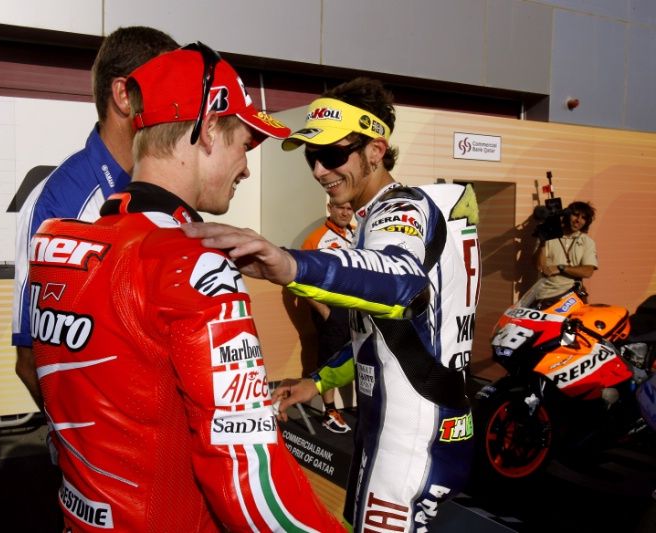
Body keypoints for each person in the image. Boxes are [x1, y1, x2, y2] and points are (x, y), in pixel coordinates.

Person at [28, 45, 344, 532]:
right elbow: (245, 478)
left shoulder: (55, 245)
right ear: (209, 128)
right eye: (245, 144)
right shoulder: (193, 263)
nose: (246, 168)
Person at [183, 77, 481, 532]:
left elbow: (402, 281)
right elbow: (384, 335)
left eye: (333, 154)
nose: (320, 170)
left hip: (410, 437)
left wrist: (291, 264)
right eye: (312, 157)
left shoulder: (400, 209)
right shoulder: (386, 214)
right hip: (412, 424)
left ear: (376, 151)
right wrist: (318, 382)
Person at [11, 26, 179, 409]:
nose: (180, 105)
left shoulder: (167, 189)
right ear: (124, 96)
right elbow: (32, 362)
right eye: (169, 88)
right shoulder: (57, 201)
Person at [301, 201, 355, 433]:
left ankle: (359, 406)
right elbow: (300, 280)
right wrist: (324, 311)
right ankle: (329, 411)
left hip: (356, 306)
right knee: (330, 358)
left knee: (357, 356)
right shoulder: (315, 239)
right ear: (330, 208)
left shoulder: (357, 234)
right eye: (341, 208)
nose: (345, 212)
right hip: (331, 308)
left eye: (349, 209)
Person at [535, 200, 598, 303]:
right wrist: (542, 243)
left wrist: (561, 268)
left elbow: (588, 272)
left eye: (583, 218)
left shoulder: (587, 242)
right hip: (545, 296)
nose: (578, 220)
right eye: (575, 215)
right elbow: (540, 267)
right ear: (567, 215)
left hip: (572, 297)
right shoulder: (549, 237)